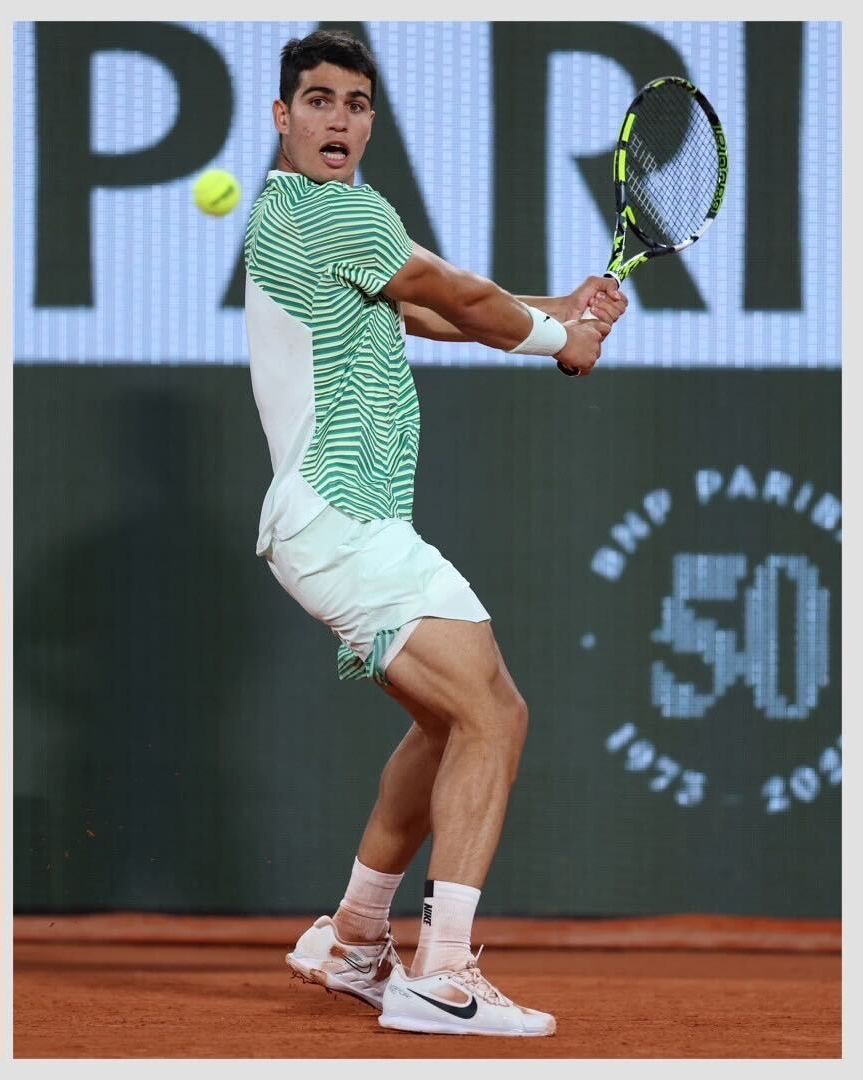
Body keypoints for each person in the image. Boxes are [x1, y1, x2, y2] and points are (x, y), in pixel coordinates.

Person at [242, 31, 623, 1039]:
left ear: (370, 120)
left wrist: (561, 314)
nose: (338, 118)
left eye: (356, 103)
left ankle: (356, 939)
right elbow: (454, 294)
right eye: (318, 100)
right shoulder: (334, 212)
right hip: (342, 517)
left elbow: (429, 315)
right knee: (496, 713)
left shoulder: (307, 221)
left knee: (447, 722)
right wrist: (560, 340)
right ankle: (442, 973)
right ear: (282, 118)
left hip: (332, 526)